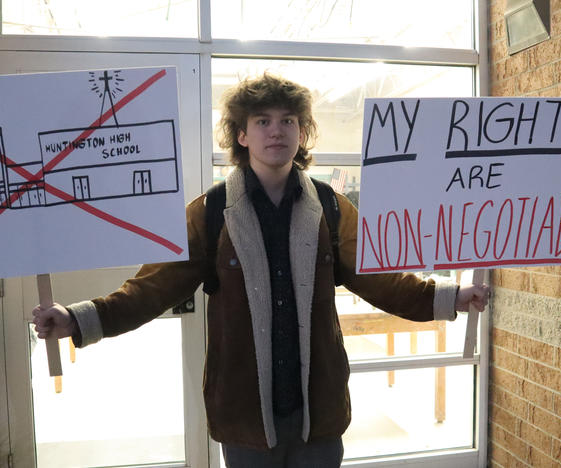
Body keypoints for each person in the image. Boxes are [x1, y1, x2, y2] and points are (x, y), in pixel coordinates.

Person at [32, 73, 489, 468]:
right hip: (244, 414)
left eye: (288, 120)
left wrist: (450, 297)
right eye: (263, 121)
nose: (277, 131)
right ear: (242, 135)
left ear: (302, 132)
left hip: (319, 410)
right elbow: (151, 288)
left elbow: (381, 279)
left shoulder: (331, 206)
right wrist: (78, 318)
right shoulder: (210, 213)